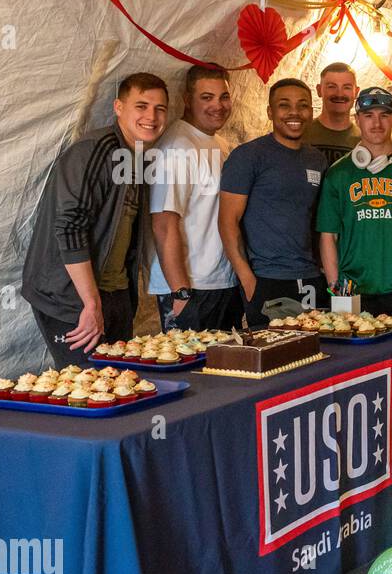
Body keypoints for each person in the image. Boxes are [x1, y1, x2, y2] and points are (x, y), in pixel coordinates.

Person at [22, 73, 169, 366]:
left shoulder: (136, 158)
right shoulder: (95, 150)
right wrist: (90, 304)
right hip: (71, 298)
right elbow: (69, 227)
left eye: (160, 108)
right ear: (118, 107)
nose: (151, 116)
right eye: (141, 106)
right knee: (88, 387)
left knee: (122, 384)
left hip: (114, 295)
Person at [317, 87, 392, 315]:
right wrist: (336, 290)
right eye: (368, 115)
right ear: (357, 120)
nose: (377, 123)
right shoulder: (339, 173)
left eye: (384, 115)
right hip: (351, 290)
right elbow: (328, 235)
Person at [218, 77, 329, 326]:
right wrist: (249, 282)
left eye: (303, 105)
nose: (294, 112)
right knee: (276, 358)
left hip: (311, 278)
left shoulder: (317, 160)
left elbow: (317, 221)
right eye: (284, 105)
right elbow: (228, 221)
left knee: (317, 357)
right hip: (267, 279)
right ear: (270, 111)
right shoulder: (248, 156)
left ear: (311, 111)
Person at [149, 64, 242, 332]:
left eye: (224, 97)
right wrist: (180, 294)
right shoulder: (176, 147)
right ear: (187, 100)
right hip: (192, 288)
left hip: (222, 282)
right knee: (193, 372)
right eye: (207, 97)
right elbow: (163, 224)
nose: (218, 105)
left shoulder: (221, 145)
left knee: (227, 370)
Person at [303, 62, 361, 166]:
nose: (339, 94)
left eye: (346, 87)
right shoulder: (301, 134)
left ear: (356, 92)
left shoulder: (365, 140)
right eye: (331, 87)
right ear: (319, 90)